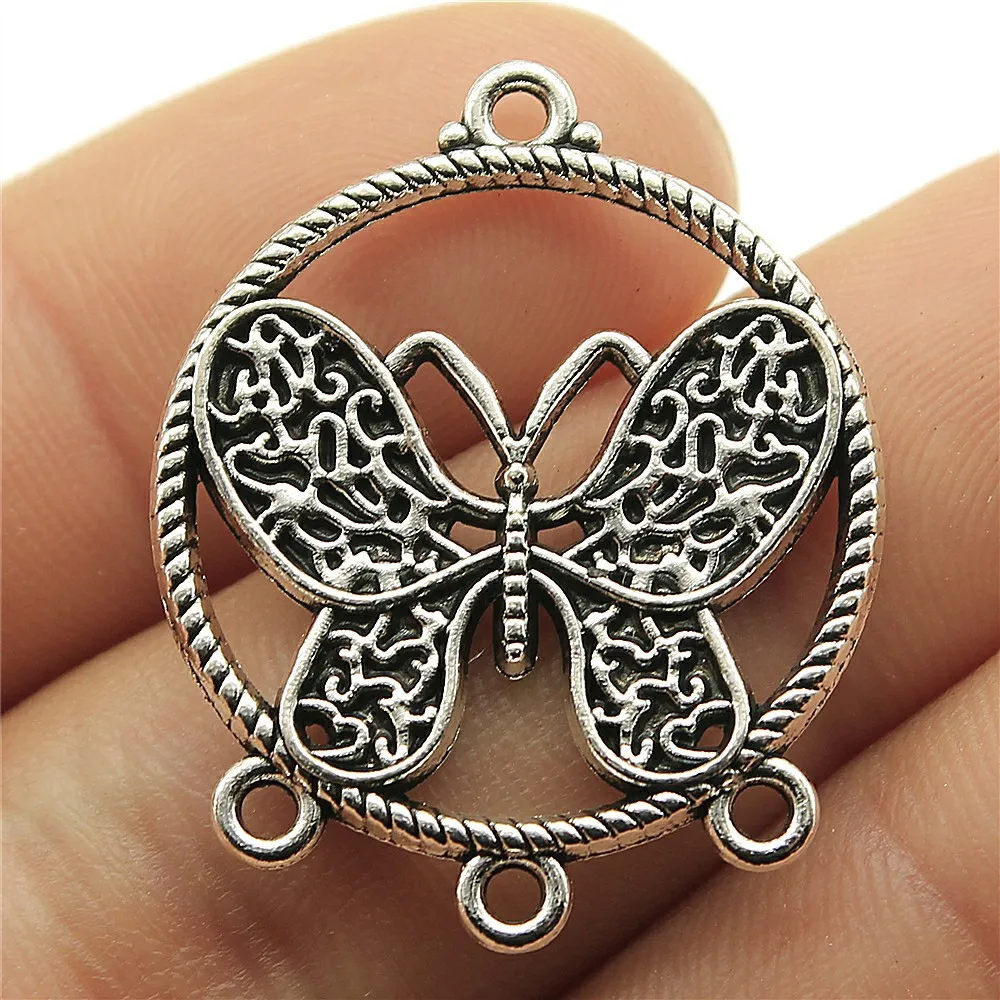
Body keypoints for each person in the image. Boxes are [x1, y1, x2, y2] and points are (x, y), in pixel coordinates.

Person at [3, 5, 997, 998]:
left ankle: (360, 751)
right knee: (676, 739)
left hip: (416, 594)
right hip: (622, 599)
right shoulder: (673, 464)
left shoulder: (353, 458)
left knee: (374, 735)